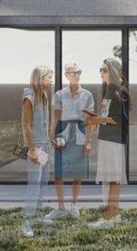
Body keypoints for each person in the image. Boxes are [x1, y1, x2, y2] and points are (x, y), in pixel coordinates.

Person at [85, 56, 131, 228]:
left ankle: (108, 218)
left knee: (112, 179)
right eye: (100, 70)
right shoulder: (108, 90)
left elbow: (117, 120)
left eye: (104, 70)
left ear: (112, 71)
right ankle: (113, 215)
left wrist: (98, 120)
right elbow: (107, 116)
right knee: (110, 179)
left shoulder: (118, 91)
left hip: (113, 141)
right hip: (106, 140)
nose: (101, 73)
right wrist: (96, 120)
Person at [48, 62, 94, 221]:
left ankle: (74, 206)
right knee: (59, 172)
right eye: (73, 73)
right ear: (66, 75)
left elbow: (90, 120)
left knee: (78, 171)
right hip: (63, 131)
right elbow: (55, 118)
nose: (77, 75)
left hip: (80, 130)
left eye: (79, 72)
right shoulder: (59, 95)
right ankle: (61, 207)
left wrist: (88, 141)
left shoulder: (87, 94)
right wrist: (50, 137)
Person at [19, 66, 53, 237]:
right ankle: (26, 220)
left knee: (43, 181)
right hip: (36, 147)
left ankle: (37, 214)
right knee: (34, 184)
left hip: (45, 145)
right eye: (49, 77)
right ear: (40, 78)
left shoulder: (44, 96)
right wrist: (32, 149)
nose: (51, 80)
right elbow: (26, 125)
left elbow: (44, 123)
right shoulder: (29, 97)